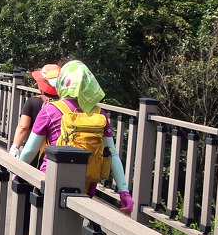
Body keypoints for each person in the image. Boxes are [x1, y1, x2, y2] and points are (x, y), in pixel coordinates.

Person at [18, 60, 135, 216]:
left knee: (44, 224)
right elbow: (112, 153)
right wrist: (124, 191)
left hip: (52, 179)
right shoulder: (99, 114)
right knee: (73, 224)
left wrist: (15, 172)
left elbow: (29, 151)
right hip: (86, 183)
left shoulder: (50, 110)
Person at [9, 63, 60, 158]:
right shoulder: (66, 104)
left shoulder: (33, 102)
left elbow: (23, 127)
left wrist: (15, 148)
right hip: (58, 152)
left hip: (35, 151)